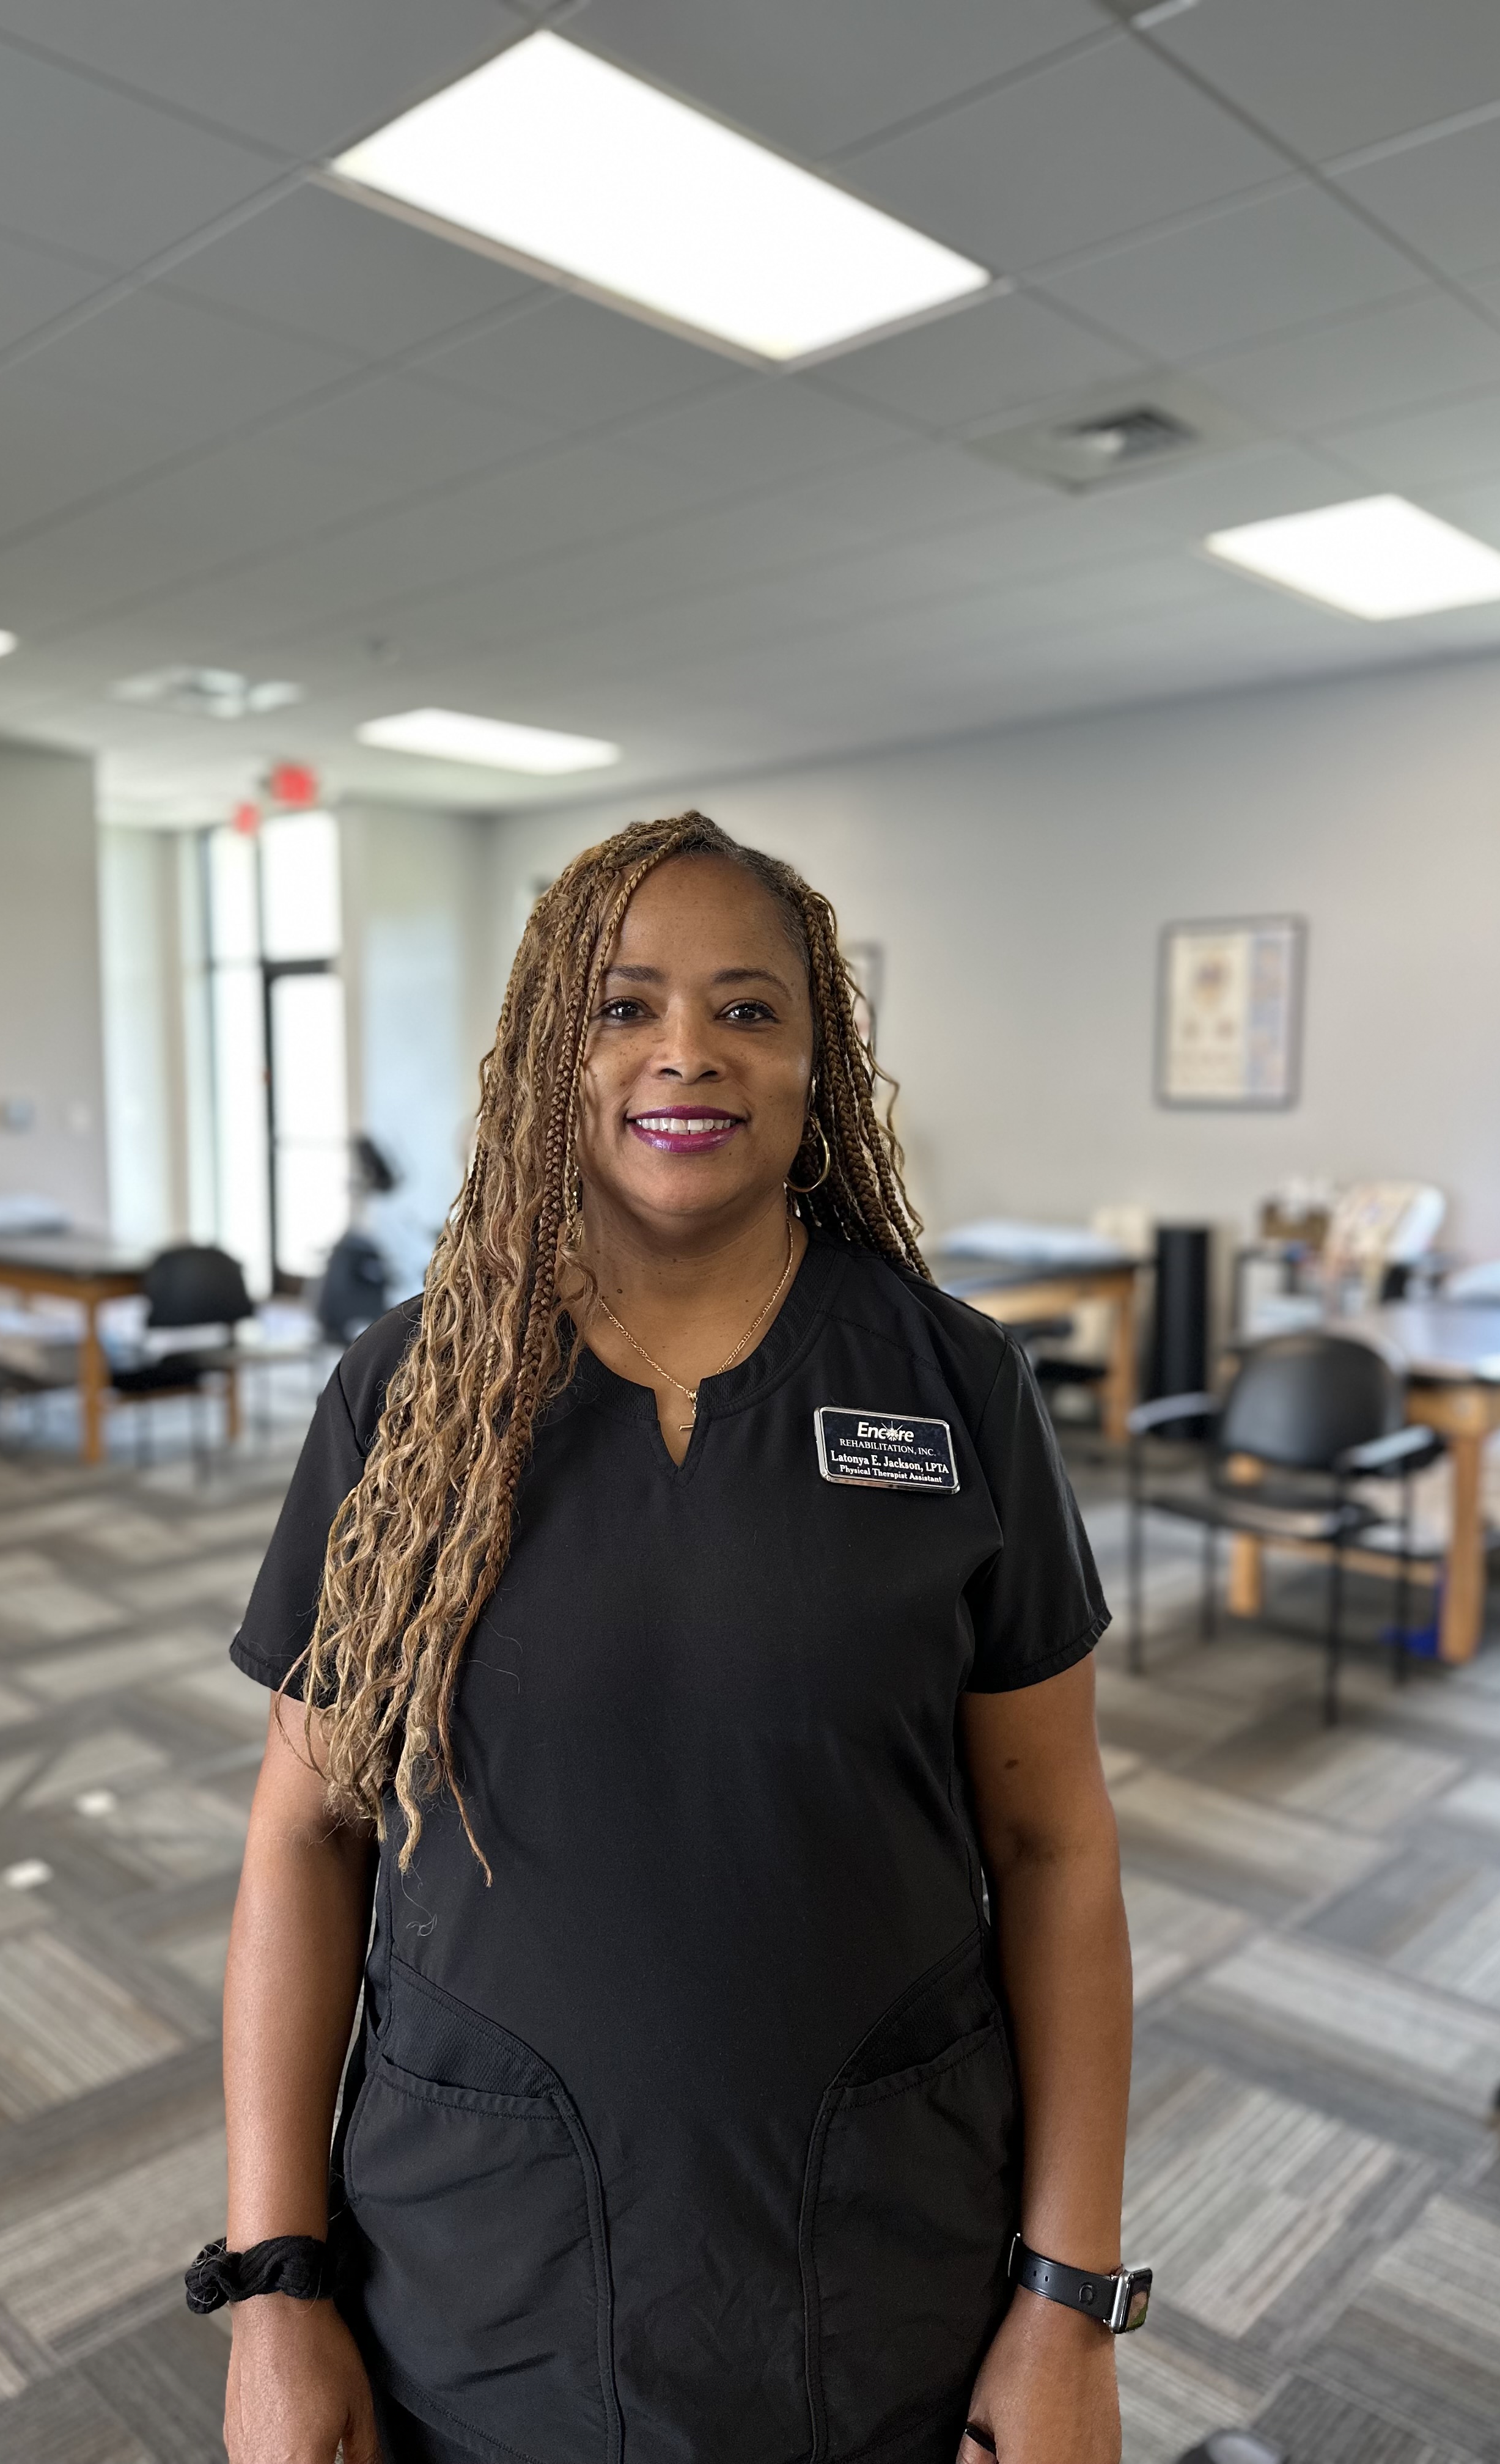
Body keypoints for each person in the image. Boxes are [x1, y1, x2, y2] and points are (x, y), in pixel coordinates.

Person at [205, 812, 1137, 2464]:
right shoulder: (405, 1394)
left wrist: (1068, 2302)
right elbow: (305, 1836)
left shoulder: (955, 1386)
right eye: (623, 1006)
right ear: (545, 1057)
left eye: (747, 1007)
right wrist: (277, 2286)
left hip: (879, 2271)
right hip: (477, 2278)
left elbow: (1055, 1845)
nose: (686, 1050)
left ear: (817, 1061)